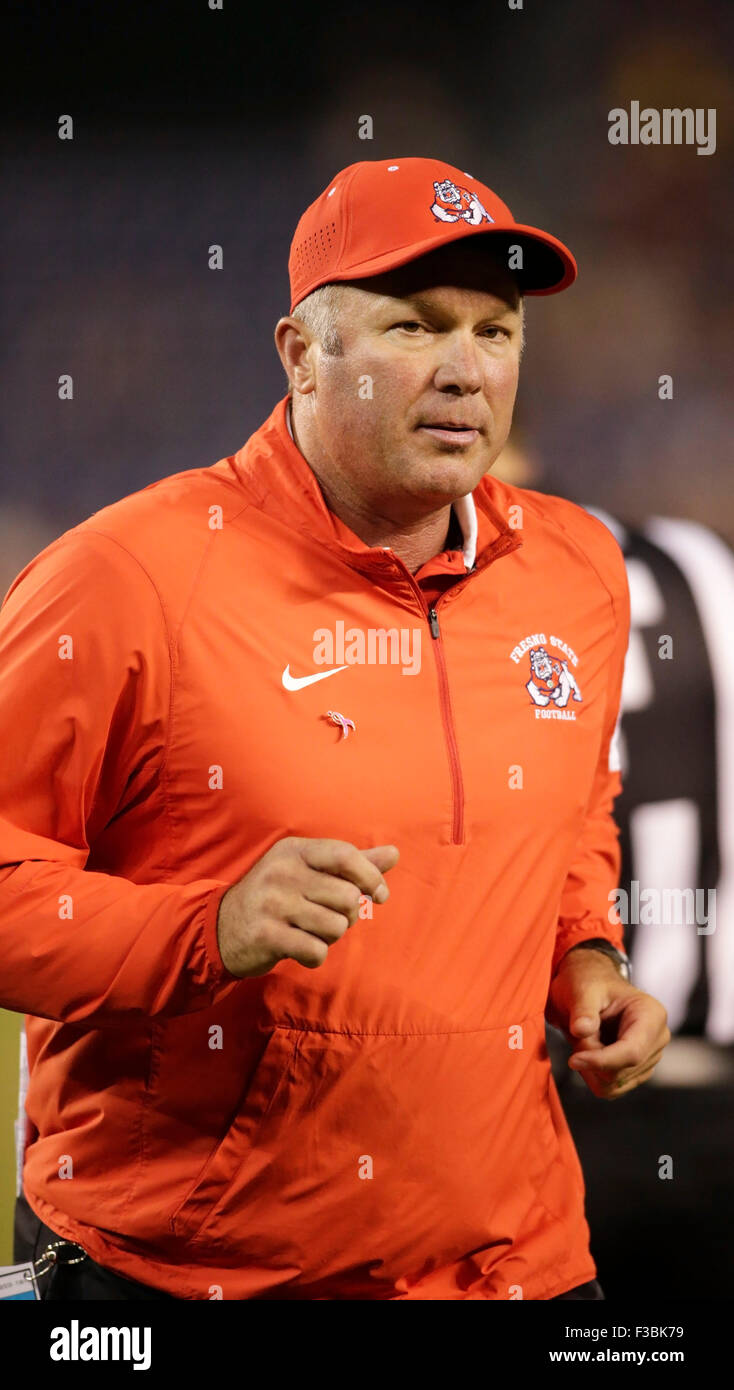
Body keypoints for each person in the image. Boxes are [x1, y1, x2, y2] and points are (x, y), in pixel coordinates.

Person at [2, 156, 670, 1301]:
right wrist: (202, 927)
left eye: (495, 333)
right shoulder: (127, 577)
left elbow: (568, 814)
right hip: (197, 1277)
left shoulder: (575, 568)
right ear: (302, 354)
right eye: (413, 327)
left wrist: (586, 957)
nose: (465, 370)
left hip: (518, 1265)